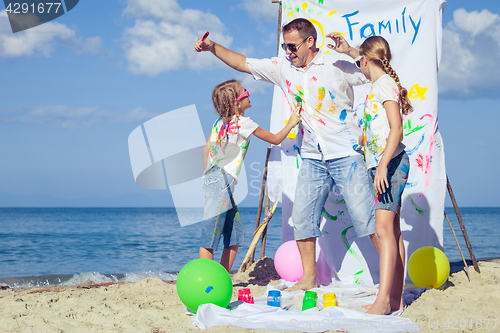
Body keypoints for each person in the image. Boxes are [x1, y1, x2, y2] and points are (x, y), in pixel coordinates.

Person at [195, 18, 380, 291]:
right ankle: (308, 279)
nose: (288, 52)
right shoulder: (284, 69)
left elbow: (371, 73)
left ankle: (390, 277)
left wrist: (351, 51)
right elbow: (242, 63)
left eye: (292, 46)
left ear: (310, 42)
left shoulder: (335, 63)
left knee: (366, 218)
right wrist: (212, 47)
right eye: (284, 46)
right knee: (303, 218)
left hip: (345, 153)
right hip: (312, 156)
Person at [334, 35, 413, 315]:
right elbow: (382, 129)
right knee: (392, 231)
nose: (359, 66)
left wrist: (381, 165)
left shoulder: (385, 86)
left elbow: (397, 129)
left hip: (390, 165)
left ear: (366, 61)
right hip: (382, 164)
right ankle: (395, 299)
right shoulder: (377, 83)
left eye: (360, 62)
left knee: (383, 230)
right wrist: (366, 144)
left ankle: (384, 301)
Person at [200, 79, 300, 273]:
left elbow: (205, 150)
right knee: (210, 235)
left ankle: (221, 276)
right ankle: (205, 278)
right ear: (236, 103)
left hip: (216, 180)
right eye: (244, 91)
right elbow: (276, 139)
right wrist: (291, 122)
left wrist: (210, 176)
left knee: (235, 236)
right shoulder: (245, 123)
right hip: (222, 181)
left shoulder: (218, 123)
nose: (248, 92)